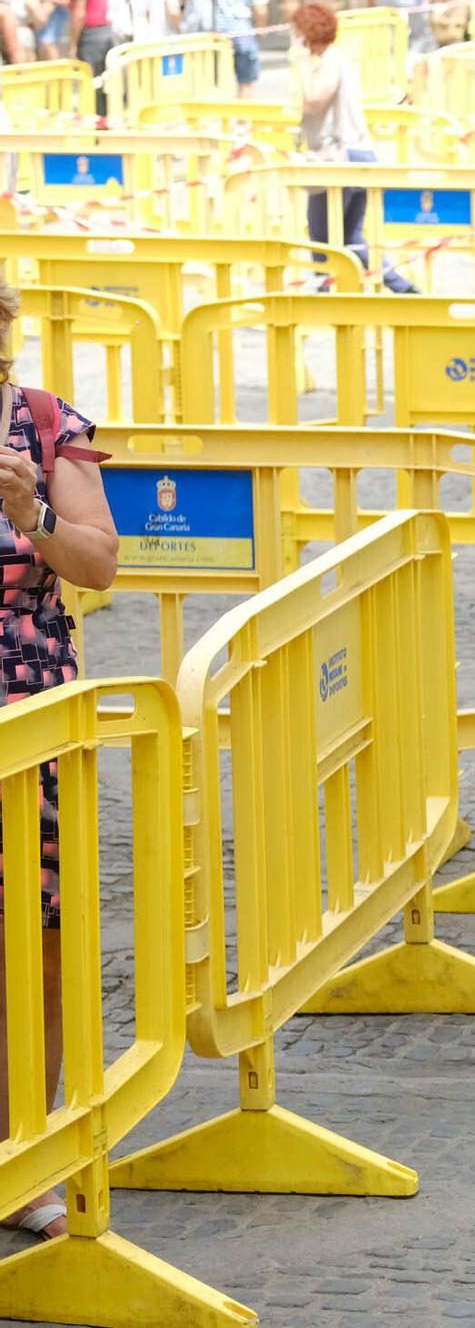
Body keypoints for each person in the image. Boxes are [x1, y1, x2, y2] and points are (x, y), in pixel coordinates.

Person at [0, 277, 120, 1249]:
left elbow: (100, 563)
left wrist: (32, 507)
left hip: (28, 709)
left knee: (38, 928)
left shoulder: (43, 425)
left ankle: (26, 1153)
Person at [293, 1, 417, 294]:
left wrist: (299, 64)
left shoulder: (329, 61)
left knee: (323, 241)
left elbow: (314, 100)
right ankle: (403, 288)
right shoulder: (336, 60)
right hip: (358, 156)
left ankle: (325, 300)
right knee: (351, 239)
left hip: (339, 160)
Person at [182, 0, 267, 97]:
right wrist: (261, 27)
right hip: (239, 30)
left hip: (204, 33)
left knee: (203, 82)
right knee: (245, 82)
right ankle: (243, 110)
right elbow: (260, 8)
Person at [66, 0, 126, 117]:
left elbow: (79, 14)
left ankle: (98, 121)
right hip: (107, 32)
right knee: (106, 82)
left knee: (92, 84)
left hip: (91, 35)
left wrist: (72, 44)